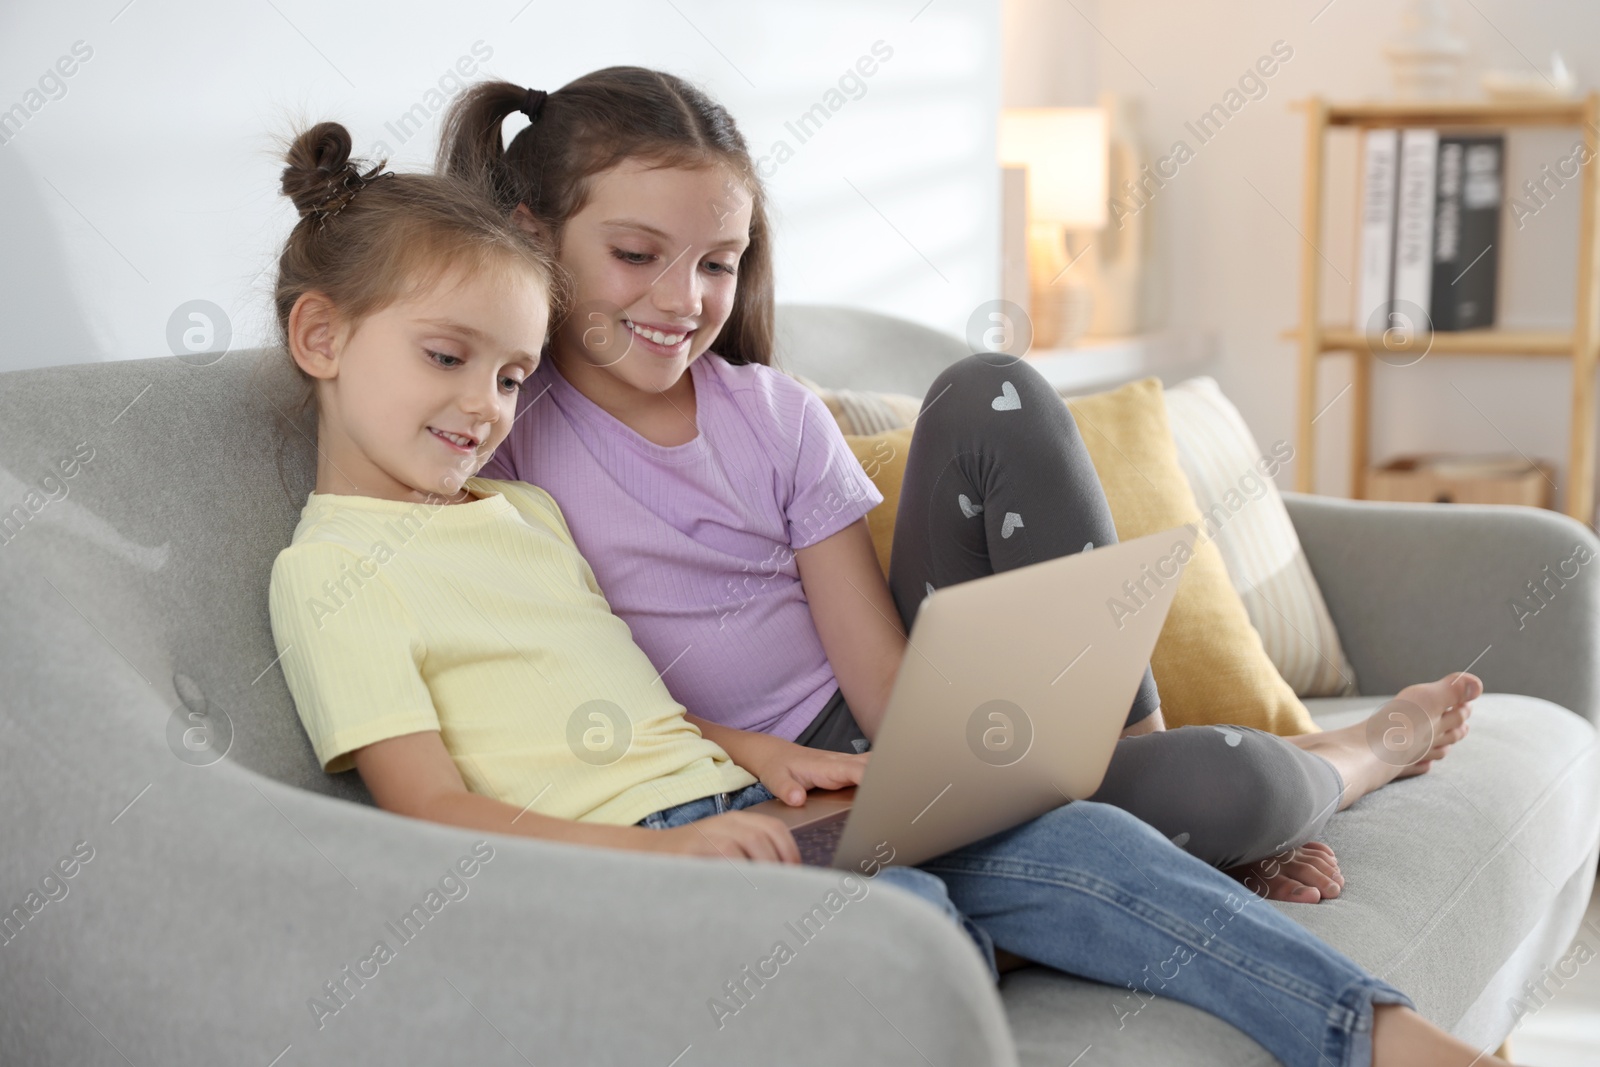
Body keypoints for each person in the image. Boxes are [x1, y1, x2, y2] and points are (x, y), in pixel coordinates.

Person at [263, 118, 1509, 1067]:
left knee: (1072, 835)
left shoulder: (515, 508)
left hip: (745, 795)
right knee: (911, 905)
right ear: (320, 339)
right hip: (642, 861)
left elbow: (615, 697)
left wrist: (768, 759)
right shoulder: (329, 575)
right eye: (449, 360)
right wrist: (683, 849)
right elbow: (425, 805)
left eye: (508, 373)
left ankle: (1378, 1033)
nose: (486, 405)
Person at [438, 70, 1476, 908]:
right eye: (635, 255)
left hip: (888, 738)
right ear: (532, 232)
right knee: (1239, 784)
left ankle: (1138, 776)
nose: (683, 299)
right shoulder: (498, 436)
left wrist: (987, 761)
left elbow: (885, 696)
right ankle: (1357, 755)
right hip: (745, 798)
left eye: (717, 261)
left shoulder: (774, 414)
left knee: (994, 390)